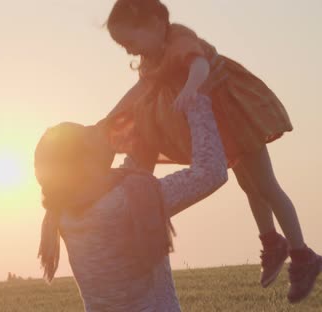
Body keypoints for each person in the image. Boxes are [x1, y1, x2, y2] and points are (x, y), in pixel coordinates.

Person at [102, 0, 321, 302]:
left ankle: (302, 255)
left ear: (154, 23)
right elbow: (139, 94)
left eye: (130, 41)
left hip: (236, 115)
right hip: (219, 125)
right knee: (250, 187)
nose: (128, 50)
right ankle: (272, 243)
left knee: (266, 186)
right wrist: (106, 122)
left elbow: (200, 64)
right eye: (122, 45)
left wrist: (191, 87)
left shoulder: (178, 38)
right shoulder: (152, 60)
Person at [34, 95, 227, 311]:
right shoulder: (124, 201)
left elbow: (134, 168)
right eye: (90, 137)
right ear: (85, 164)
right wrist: (195, 101)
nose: (99, 135)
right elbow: (211, 172)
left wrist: (147, 111)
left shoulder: (63, 211)